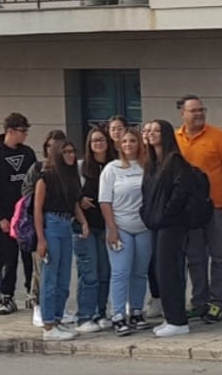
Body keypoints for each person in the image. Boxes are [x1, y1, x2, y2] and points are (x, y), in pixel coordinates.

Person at [175, 94, 222, 323]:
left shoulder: (218, 136)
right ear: (183, 114)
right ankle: (199, 301)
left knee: (219, 256)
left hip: (217, 205)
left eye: (202, 110)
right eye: (194, 111)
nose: (199, 114)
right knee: (195, 257)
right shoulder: (176, 138)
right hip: (190, 211)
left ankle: (217, 303)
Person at [141, 119, 193, 338]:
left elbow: (180, 193)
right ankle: (170, 317)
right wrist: (147, 215)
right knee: (160, 271)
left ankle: (178, 320)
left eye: (156, 130)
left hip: (171, 225)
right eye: (148, 130)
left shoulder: (175, 161)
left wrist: (164, 215)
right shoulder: (152, 163)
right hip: (155, 224)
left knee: (170, 270)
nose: (151, 134)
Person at [99, 126, 152, 337]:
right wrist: (112, 229)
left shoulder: (147, 167)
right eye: (125, 141)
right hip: (120, 226)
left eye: (133, 141)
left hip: (144, 227)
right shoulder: (111, 169)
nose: (129, 144)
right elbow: (105, 201)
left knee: (140, 272)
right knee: (120, 272)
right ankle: (118, 315)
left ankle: (136, 311)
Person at [35, 139, 89, 341]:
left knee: (64, 277)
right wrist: (41, 239)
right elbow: (37, 209)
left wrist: (83, 221)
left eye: (72, 151)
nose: (70, 155)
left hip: (67, 224)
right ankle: (48, 324)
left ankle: (57, 319)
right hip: (51, 224)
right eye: (65, 152)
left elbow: (74, 203)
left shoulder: (71, 176)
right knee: (50, 276)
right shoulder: (45, 177)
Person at [0, 112, 37, 316]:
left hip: (27, 215)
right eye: (22, 131)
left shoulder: (28, 153)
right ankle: (7, 296)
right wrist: (0, 217)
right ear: (10, 131)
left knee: (29, 257)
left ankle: (32, 294)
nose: (25, 135)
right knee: (9, 258)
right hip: (7, 215)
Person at [23, 130, 66, 326]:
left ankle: (58, 312)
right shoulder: (38, 169)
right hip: (43, 223)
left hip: (63, 222)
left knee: (59, 272)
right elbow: (28, 195)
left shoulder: (67, 168)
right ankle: (38, 306)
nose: (52, 150)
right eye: (49, 146)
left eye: (56, 146)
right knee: (41, 269)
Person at [74, 127, 114, 332]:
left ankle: (101, 313)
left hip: (107, 226)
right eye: (94, 141)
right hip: (85, 227)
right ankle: (84, 317)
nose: (98, 144)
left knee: (105, 271)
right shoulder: (81, 167)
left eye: (101, 140)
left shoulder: (114, 166)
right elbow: (71, 193)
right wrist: (80, 200)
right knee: (88, 273)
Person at [140, 121, 162, 320]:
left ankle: (159, 299)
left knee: (157, 262)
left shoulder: (158, 158)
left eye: (152, 131)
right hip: (138, 219)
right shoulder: (134, 159)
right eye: (145, 131)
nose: (148, 134)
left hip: (156, 218)